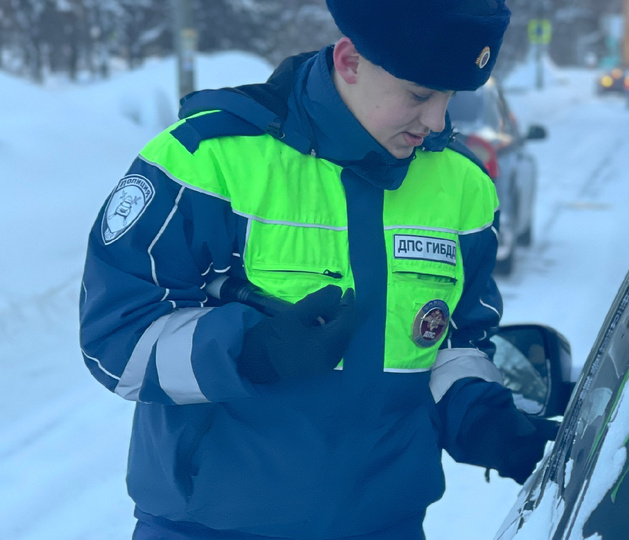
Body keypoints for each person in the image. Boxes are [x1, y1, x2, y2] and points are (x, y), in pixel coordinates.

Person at [78, 1, 558, 539]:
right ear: (351, 61)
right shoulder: (210, 160)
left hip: (386, 526)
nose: (437, 121)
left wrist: (480, 416)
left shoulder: (463, 187)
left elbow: (454, 341)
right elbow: (116, 339)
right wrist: (251, 349)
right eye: (420, 94)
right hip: (209, 528)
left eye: (451, 97)